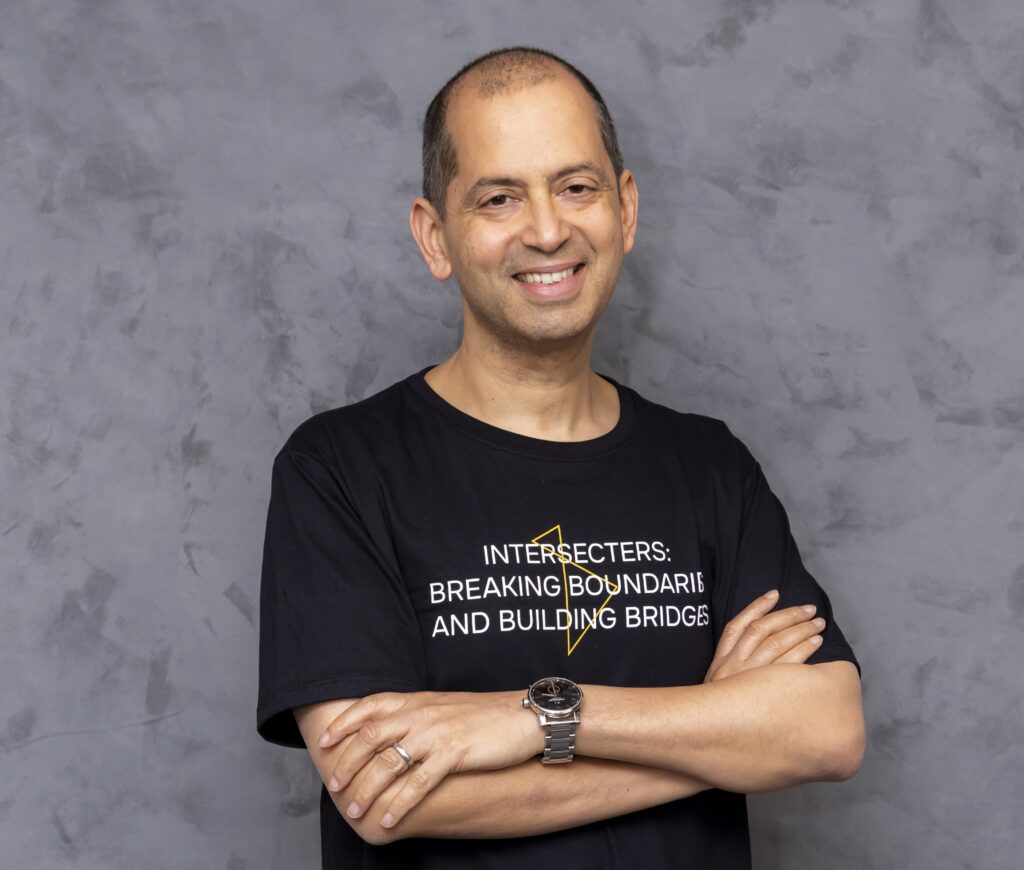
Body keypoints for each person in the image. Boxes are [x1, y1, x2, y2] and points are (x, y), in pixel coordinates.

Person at [256, 46, 864, 870]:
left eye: (577, 187)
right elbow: (384, 794)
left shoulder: (710, 467)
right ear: (436, 237)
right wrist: (716, 732)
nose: (547, 231)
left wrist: (537, 716)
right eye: (499, 198)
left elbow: (827, 730)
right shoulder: (338, 469)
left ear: (626, 209)